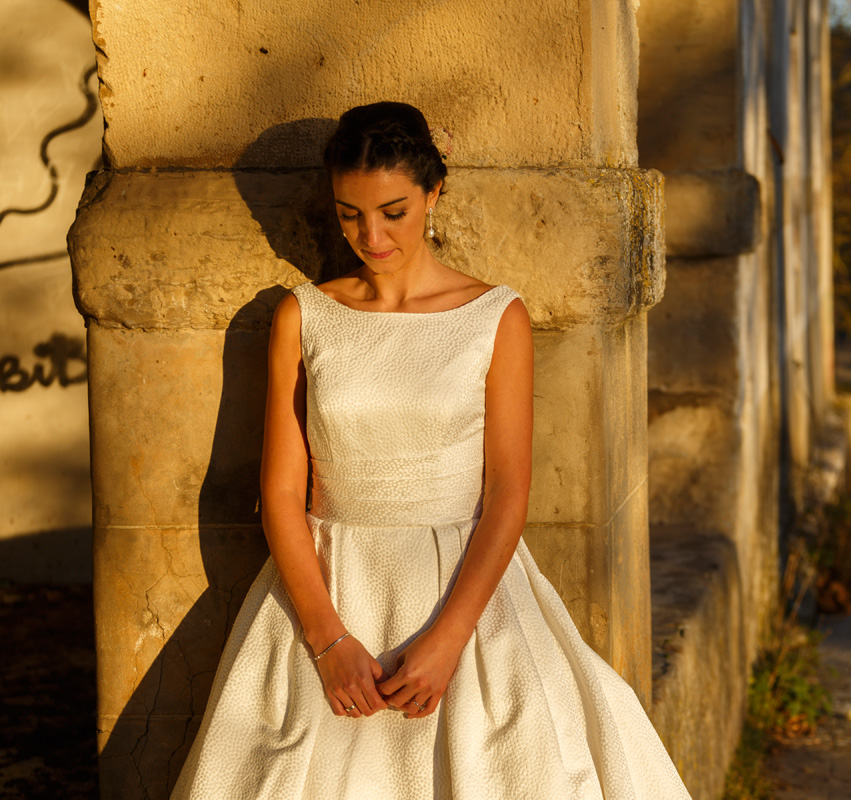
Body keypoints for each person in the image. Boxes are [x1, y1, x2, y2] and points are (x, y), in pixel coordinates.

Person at [170, 102, 693, 800]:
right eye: (349, 212)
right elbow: (280, 496)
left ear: (433, 193)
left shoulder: (495, 316)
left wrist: (449, 640)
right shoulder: (303, 315)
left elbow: (507, 492)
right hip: (329, 590)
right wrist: (328, 644)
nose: (370, 234)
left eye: (393, 211)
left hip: (463, 590)